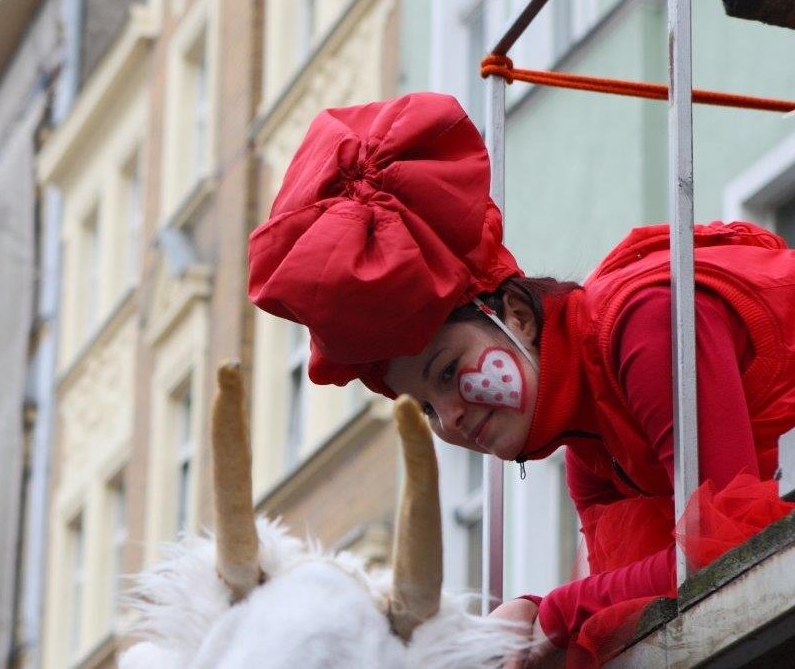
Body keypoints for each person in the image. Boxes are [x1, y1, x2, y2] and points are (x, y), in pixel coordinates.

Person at [246, 92, 795, 667]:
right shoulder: (589, 446)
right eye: (427, 409)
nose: (450, 418)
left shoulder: (645, 324)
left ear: (517, 315)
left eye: (449, 372)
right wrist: (536, 617)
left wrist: (552, 613)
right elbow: (642, 600)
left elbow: (732, 545)